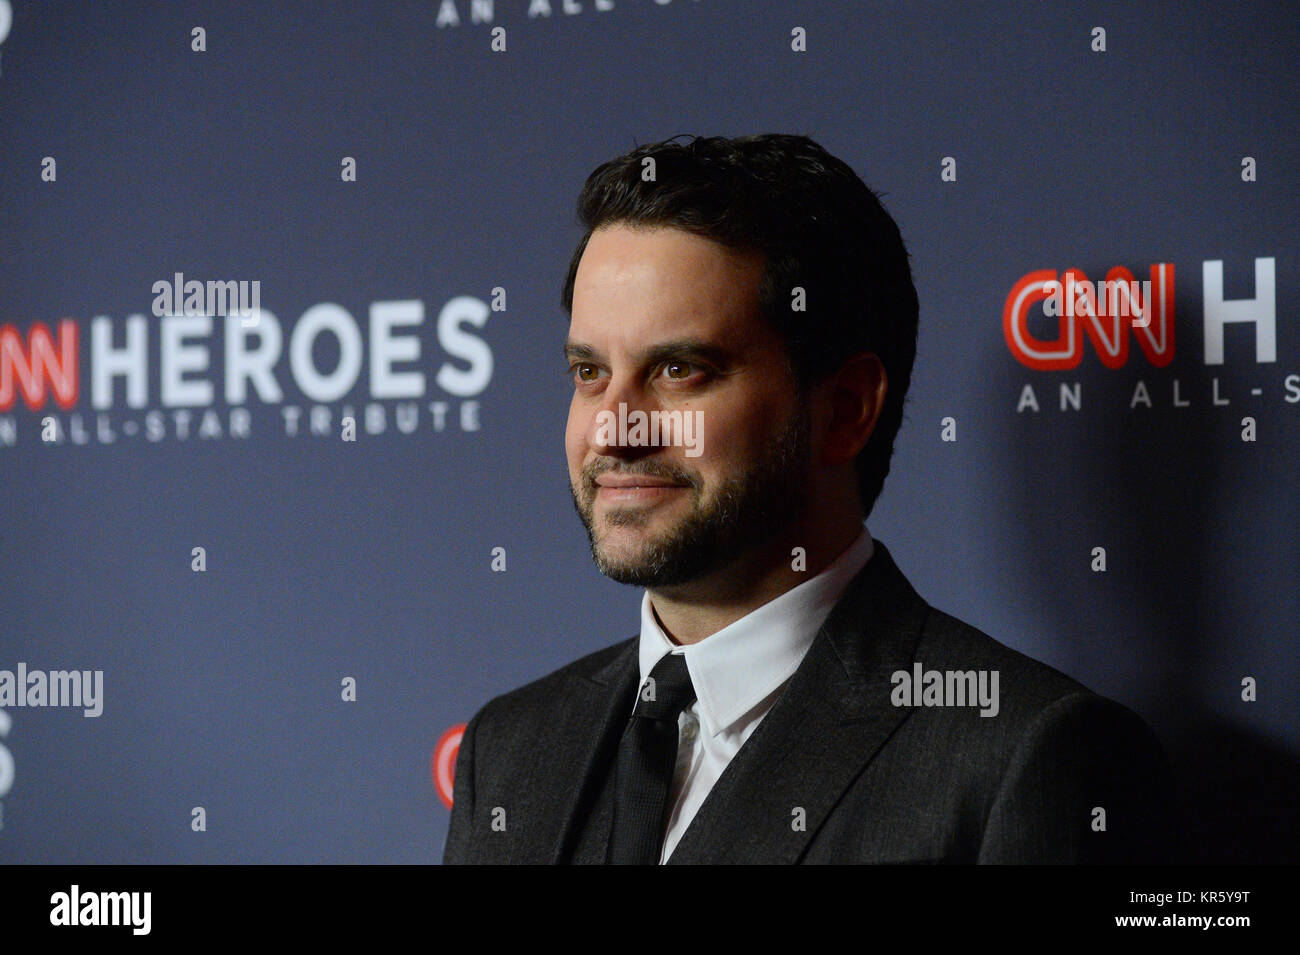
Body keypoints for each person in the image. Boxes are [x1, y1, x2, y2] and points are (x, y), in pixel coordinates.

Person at [444, 133, 1173, 864]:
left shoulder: (1021, 754)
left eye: (679, 369)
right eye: (589, 371)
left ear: (847, 407)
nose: (615, 427)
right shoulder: (509, 751)